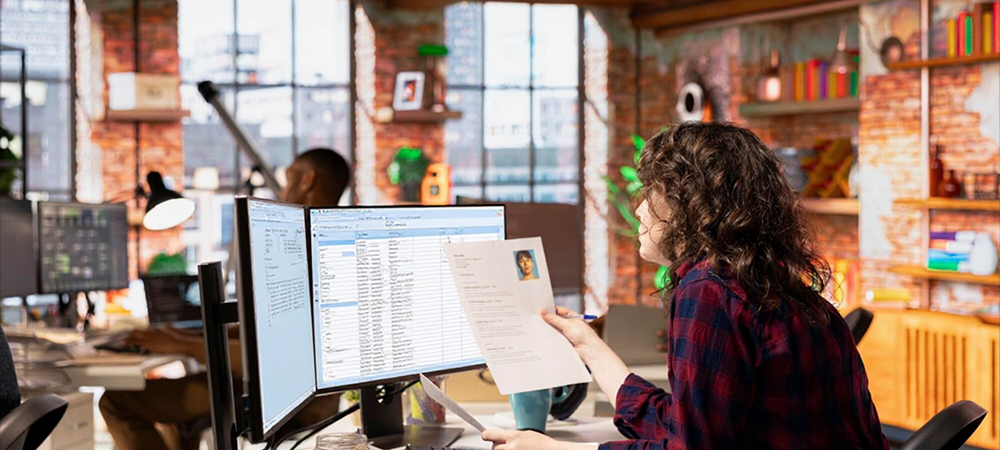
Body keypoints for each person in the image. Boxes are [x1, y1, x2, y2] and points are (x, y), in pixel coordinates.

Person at [482, 122, 888, 450]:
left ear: (692, 206)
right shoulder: (765, 283)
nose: (640, 209)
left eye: (653, 193)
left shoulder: (711, 291)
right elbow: (689, 425)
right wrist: (587, 344)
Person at [99, 148, 351, 450]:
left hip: (285, 398)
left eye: (289, 178)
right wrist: (186, 336)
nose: (282, 190)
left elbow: (272, 355)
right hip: (280, 390)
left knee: (115, 401)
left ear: (308, 180)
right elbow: (269, 334)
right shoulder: (322, 239)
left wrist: (182, 345)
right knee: (179, 417)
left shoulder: (308, 248)